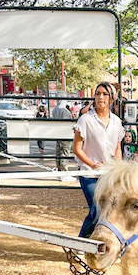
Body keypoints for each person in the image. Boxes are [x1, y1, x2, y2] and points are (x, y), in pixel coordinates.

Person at [72, 82, 124, 237]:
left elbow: (117, 149)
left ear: (112, 98)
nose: (101, 97)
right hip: (89, 174)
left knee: (111, 211)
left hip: (109, 174)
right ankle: (82, 242)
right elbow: (77, 148)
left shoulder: (116, 122)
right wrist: (92, 164)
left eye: (105, 94)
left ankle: (100, 242)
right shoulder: (85, 120)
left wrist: (119, 168)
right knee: (97, 210)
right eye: (98, 93)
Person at [52, 98, 73, 171]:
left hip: (58, 134)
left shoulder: (55, 109)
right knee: (64, 153)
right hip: (65, 135)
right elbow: (66, 124)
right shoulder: (65, 111)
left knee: (58, 153)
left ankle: (59, 170)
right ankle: (64, 171)